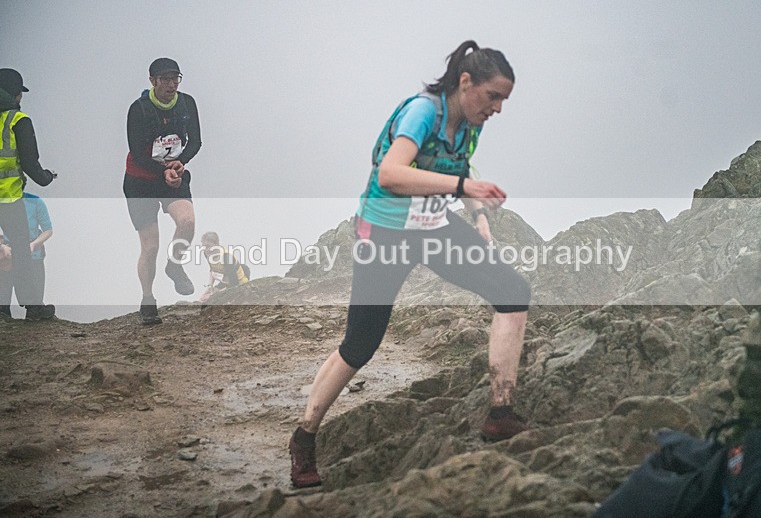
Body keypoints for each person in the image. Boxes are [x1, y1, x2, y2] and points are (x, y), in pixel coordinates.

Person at [289, 41, 532, 488]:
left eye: (504, 100)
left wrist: (477, 214)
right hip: (384, 234)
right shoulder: (423, 111)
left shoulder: (470, 122)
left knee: (513, 292)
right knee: (361, 344)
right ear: (465, 83)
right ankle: (305, 438)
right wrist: (465, 188)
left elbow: (463, 164)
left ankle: (501, 412)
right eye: (493, 96)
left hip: (433, 227)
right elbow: (391, 173)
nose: (498, 108)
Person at [123, 58, 202, 326]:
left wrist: (181, 163)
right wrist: (162, 172)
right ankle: (148, 300)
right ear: (152, 81)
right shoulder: (139, 109)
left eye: (175, 79)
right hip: (141, 179)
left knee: (188, 221)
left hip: (174, 174)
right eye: (164, 79)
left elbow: (196, 141)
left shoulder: (187, 103)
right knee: (150, 245)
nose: (170, 84)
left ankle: (175, 265)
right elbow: (135, 151)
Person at [0, 68, 57, 321]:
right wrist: (46, 178)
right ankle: (33, 308)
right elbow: (30, 164)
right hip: (9, 199)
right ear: (16, 95)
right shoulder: (18, 120)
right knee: (21, 249)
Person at [0, 192, 53, 318]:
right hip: (9, 255)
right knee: (3, 303)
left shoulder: (35, 202)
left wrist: (34, 245)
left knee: (34, 303)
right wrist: (3, 247)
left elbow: (48, 230)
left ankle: (35, 313)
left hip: (33, 255)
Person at [198, 231, 249, 303]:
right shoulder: (207, 254)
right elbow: (212, 270)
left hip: (238, 283)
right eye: (204, 247)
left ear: (216, 244)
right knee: (203, 298)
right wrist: (210, 286)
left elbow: (234, 284)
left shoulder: (226, 257)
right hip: (225, 282)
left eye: (208, 246)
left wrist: (218, 293)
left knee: (212, 298)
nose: (206, 249)